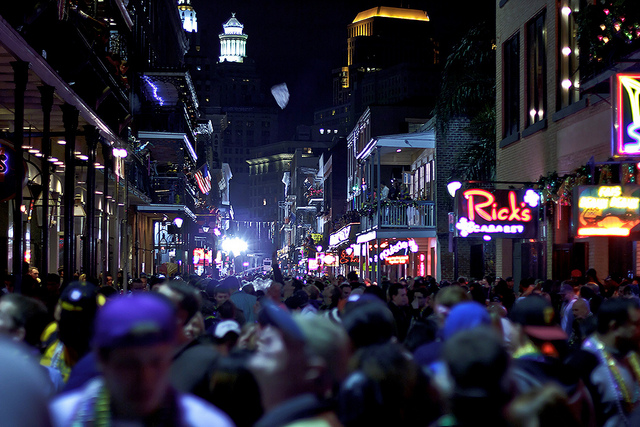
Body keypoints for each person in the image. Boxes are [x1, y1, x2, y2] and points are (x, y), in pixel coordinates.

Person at [49, 293, 233, 427]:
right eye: (129, 365)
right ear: (101, 359)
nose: (145, 378)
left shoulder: (206, 422)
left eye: (156, 362)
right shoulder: (58, 418)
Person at [580, 298, 640, 427]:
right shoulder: (584, 363)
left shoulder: (629, 352)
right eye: (636, 324)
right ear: (615, 327)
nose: (639, 330)